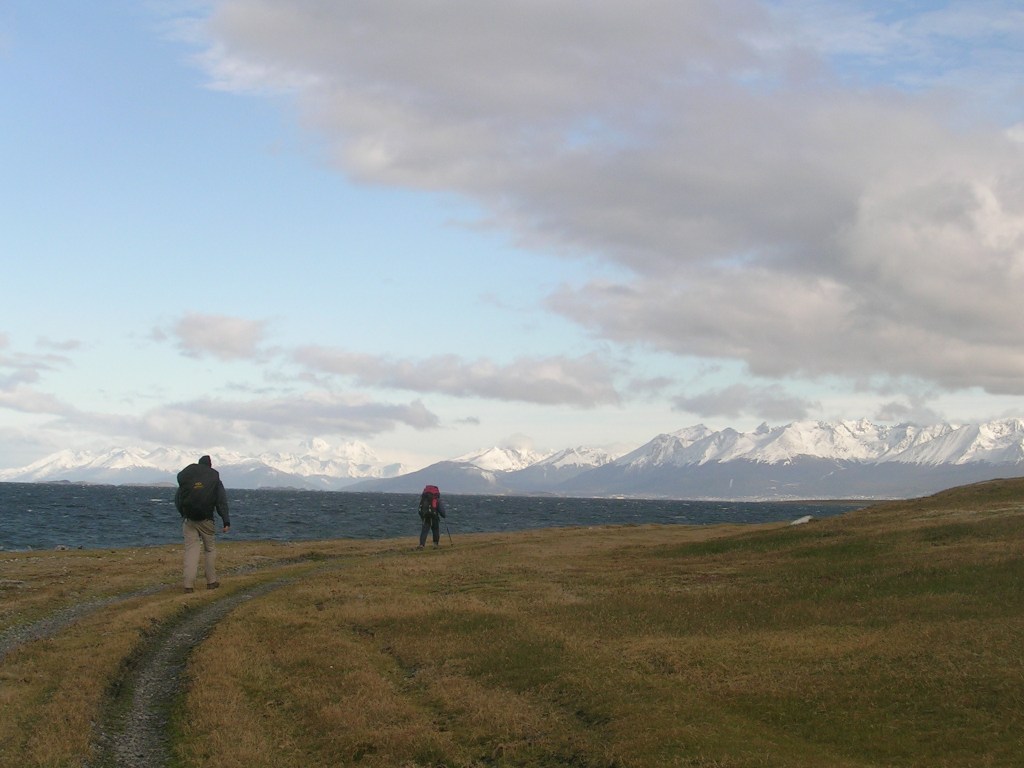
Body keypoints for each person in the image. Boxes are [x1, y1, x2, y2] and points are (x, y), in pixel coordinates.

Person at [175, 454, 230, 593]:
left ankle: (188, 585)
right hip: (206, 520)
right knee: (209, 549)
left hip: (189, 520)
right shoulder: (214, 477)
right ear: (210, 465)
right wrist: (225, 520)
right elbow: (221, 500)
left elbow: (178, 498)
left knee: (191, 551)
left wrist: (183, 514)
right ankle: (211, 582)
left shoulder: (187, 476)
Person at [417, 484, 446, 549]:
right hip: (434, 516)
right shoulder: (436, 498)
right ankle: (435, 545)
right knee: (435, 530)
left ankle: (421, 545)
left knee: (424, 530)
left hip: (425, 516)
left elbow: (420, 508)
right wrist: (443, 515)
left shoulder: (424, 498)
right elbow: (441, 510)